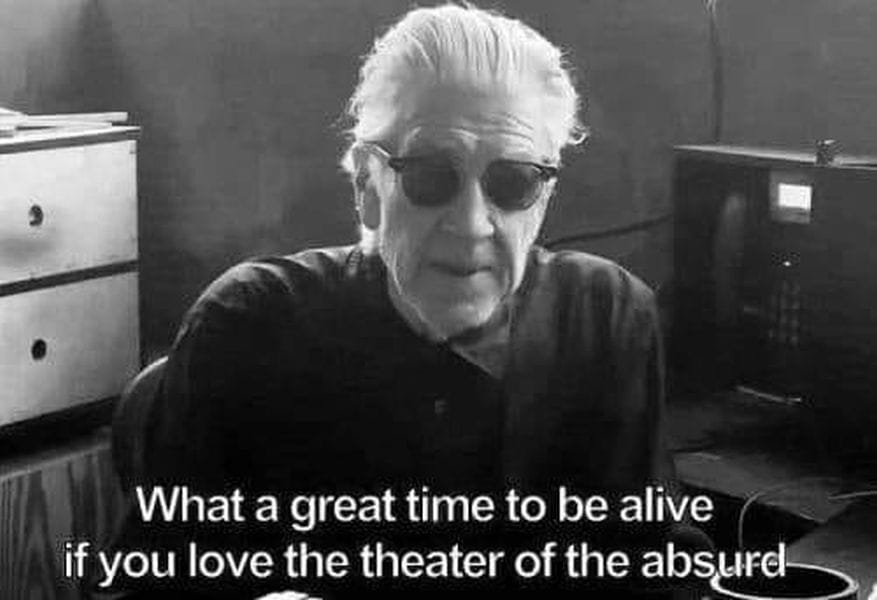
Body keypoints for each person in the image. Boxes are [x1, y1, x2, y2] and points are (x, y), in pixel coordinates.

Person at [107, 4, 707, 598]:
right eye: (430, 176)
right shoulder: (247, 327)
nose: (471, 225)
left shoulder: (607, 320)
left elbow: (654, 565)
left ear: (543, 199)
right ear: (367, 186)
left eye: (513, 182)